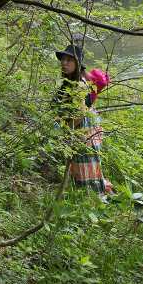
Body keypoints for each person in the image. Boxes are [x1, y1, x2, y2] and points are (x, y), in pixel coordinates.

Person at [54, 44, 109, 193]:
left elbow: (79, 114)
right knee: (82, 166)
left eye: (69, 60)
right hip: (81, 129)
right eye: (63, 59)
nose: (64, 63)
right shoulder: (68, 81)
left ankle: (95, 197)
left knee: (87, 167)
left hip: (84, 130)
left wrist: (65, 130)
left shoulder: (79, 84)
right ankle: (89, 195)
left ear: (77, 63)